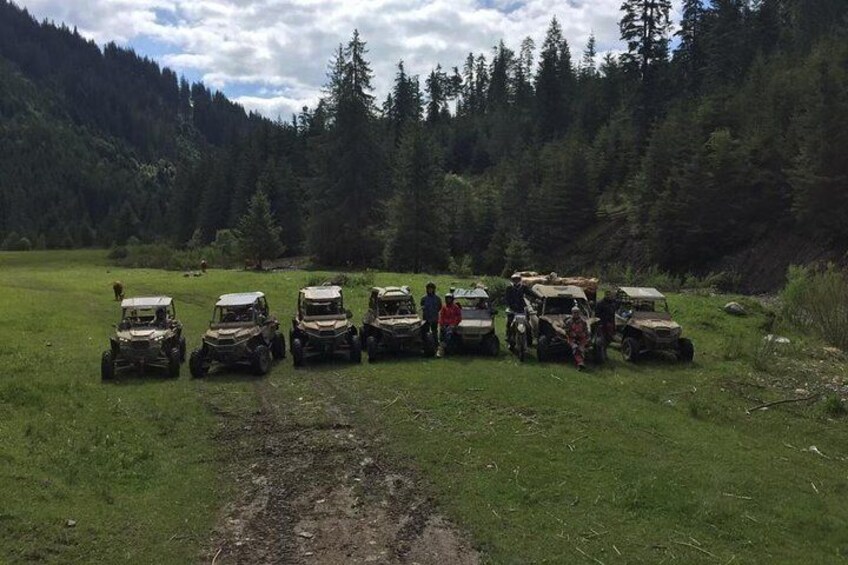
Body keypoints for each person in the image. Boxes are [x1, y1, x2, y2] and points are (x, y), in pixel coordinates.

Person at [437, 293, 462, 358]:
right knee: (442, 335)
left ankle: (446, 348)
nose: (448, 300)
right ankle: (441, 349)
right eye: (447, 299)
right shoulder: (444, 307)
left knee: (449, 335)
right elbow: (441, 316)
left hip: (452, 325)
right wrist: (441, 324)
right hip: (445, 324)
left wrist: (454, 324)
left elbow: (459, 317)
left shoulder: (456, 307)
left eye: (450, 299)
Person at [565, 305, 590, 371]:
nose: (575, 314)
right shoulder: (569, 322)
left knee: (581, 348)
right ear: (572, 313)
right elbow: (567, 331)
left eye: (577, 312)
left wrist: (586, 337)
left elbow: (586, 331)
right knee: (575, 348)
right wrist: (572, 334)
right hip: (572, 339)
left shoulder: (583, 322)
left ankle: (580, 362)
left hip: (582, 338)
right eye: (574, 312)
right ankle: (580, 363)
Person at [505, 273, 525, 346]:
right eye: (514, 279)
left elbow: (530, 293)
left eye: (517, 279)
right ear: (512, 280)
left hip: (521, 309)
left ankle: (528, 339)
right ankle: (508, 336)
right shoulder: (509, 288)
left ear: (520, 280)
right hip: (511, 309)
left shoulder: (523, 287)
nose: (516, 281)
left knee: (527, 324)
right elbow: (506, 299)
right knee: (509, 323)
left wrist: (540, 297)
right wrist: (510, 306)